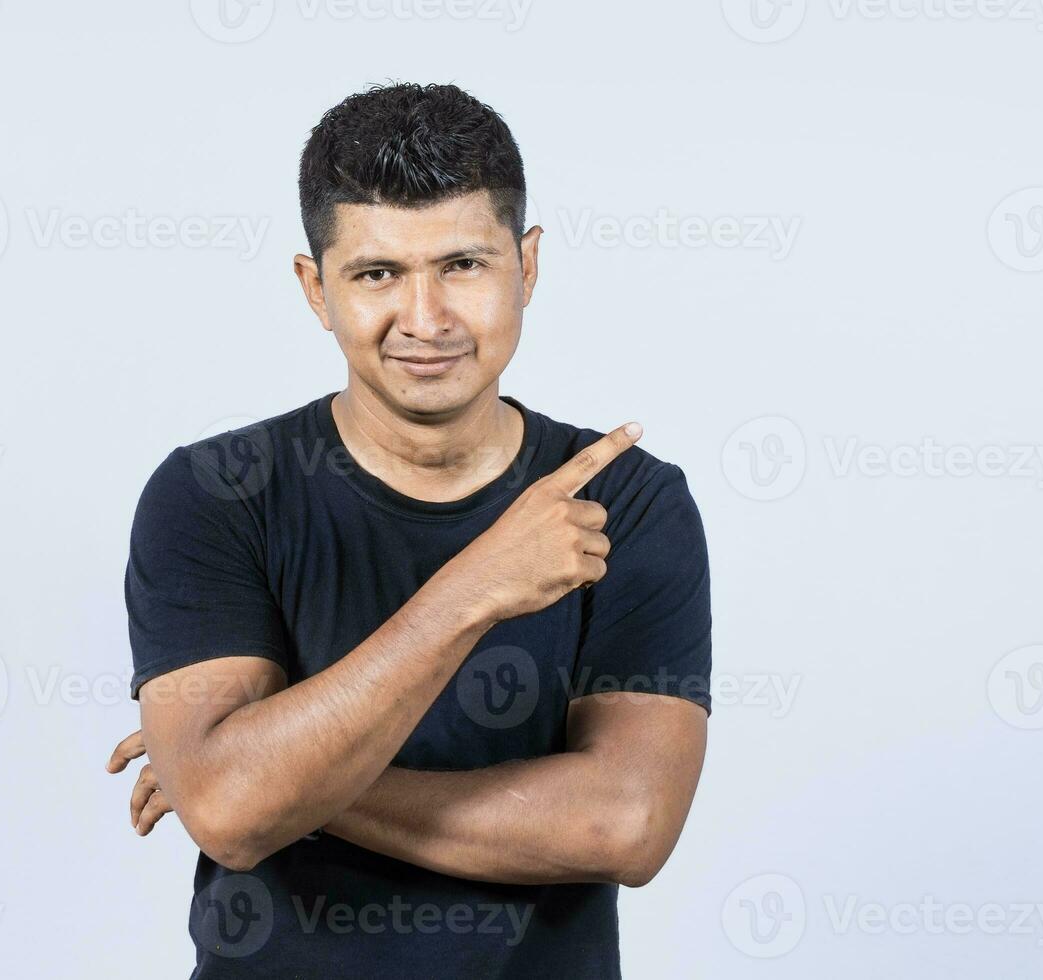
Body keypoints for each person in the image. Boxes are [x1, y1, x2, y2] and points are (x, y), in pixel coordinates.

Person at [102, 81, 713, 979]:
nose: (424, 322)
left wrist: (272, 779)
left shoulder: (627, 501)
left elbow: (622, 824)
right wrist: (475, 589)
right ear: (316, 288)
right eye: (378, 274)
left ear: (527, 266)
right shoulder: (216, 493)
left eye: (463, 265)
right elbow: (231, 813)